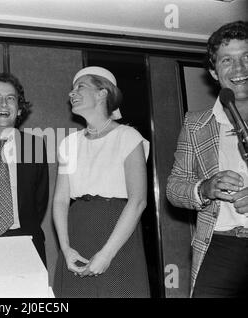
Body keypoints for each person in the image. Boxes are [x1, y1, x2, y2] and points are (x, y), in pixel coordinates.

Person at [52, 66, 150, 297]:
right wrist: (66, 249)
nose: (72, 93)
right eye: (72, 89)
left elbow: (137, 202)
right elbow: (60, 200)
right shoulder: (69, 143)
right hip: (78, 232)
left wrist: (106, 254)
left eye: (80, 87)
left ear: (102, 93)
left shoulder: (128, 137)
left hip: (116, 235)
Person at [167, 21, 248, 298]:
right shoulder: (195, 124)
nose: (239, 69)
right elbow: (174, 188)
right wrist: (205, 188)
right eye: (227, 60)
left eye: (246, 58)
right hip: (220, 247)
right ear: (214, 72)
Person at [0, 72, 49, 265]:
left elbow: (40, 200)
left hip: (26, 245)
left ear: (19, 109)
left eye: (10, 99)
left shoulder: (35, 146)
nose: (4, 104)